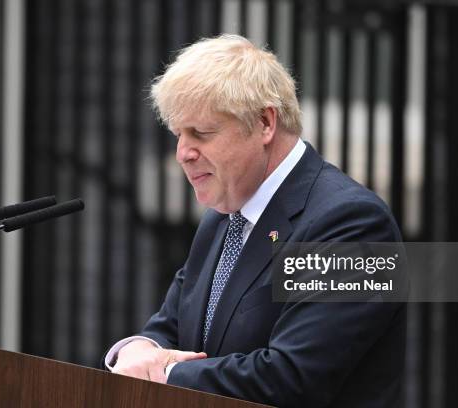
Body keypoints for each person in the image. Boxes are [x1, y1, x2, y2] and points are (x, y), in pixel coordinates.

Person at [104, 34, 405, 407]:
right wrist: (137, 350)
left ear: (264, 123)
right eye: (178, 134)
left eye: (201, 132)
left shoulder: (352, 222)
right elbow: (174, 325)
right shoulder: (226, 214)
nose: (183, 153)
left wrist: (165, 375)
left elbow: (292, 377)